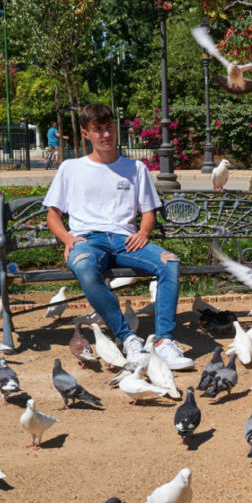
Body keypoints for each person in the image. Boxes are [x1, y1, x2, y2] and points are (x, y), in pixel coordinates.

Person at [43, 103, 192, 370]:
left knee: (169, 262)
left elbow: (148, 212)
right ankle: (128, 339)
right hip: (87, 240)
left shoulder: (135, 169)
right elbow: (52, 215)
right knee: (86, 268)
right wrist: (67, 239)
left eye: (109, 128)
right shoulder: (70, 168)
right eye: (97, 130)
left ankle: (164, 343)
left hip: (126, 241)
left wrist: (144, 231)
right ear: (86, 134)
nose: (106, 135)